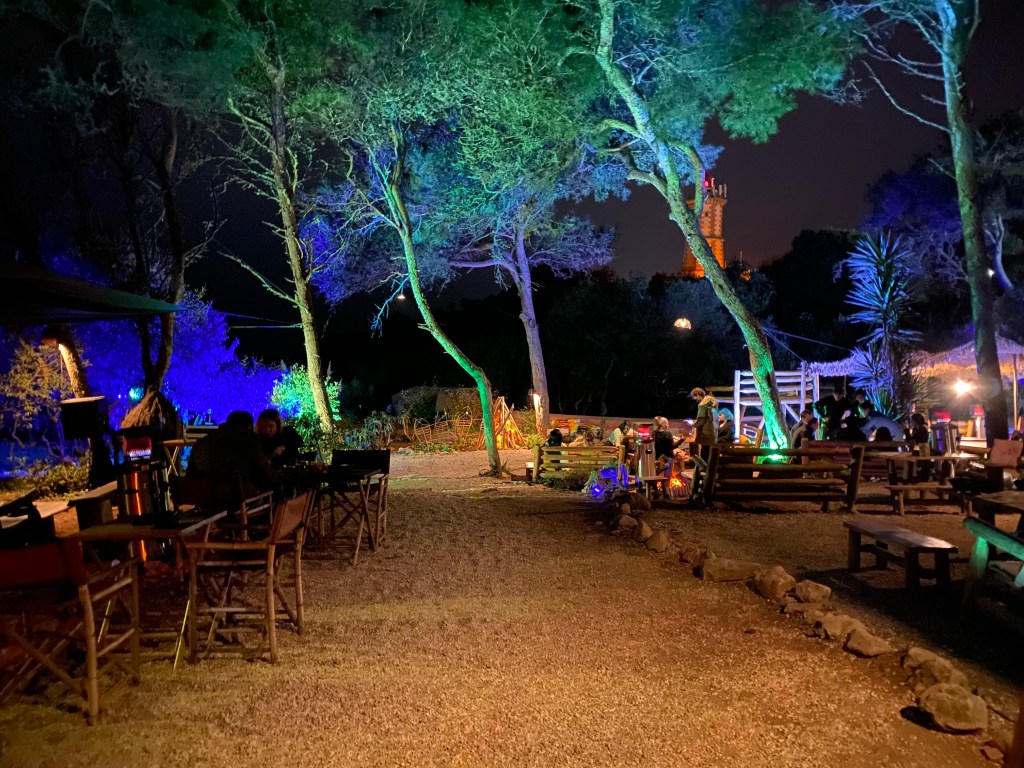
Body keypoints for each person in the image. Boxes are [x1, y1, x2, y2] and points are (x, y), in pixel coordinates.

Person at [186, 410, 277, 492]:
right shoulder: (249, 440)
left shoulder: (203, 442)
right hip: (237, 498)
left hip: (205, 497)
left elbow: (190, 476)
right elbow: (265, 474)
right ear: (249, 426)